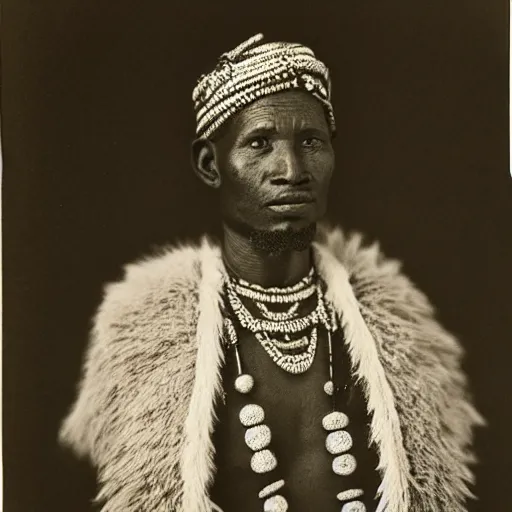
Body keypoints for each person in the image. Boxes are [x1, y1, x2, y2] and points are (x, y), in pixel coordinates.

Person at [59, 33, 484, 512]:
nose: (291, 169)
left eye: (310, 142)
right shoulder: (140, 339)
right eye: (259, 143)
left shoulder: (407, 338)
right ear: (209, 163)